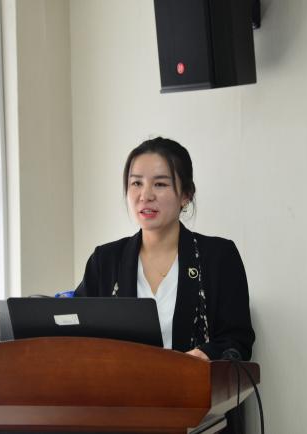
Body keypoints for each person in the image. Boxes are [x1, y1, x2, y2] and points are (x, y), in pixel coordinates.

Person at [74, 136, 255, 362]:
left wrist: (204, 355)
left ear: (186, 195)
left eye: (160, 184)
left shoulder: (218, 256)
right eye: (136, 183)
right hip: (121, 384)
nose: (145, 196)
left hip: (191, 383)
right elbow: (76, 331)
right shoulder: (105, 260)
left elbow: (238, 340)